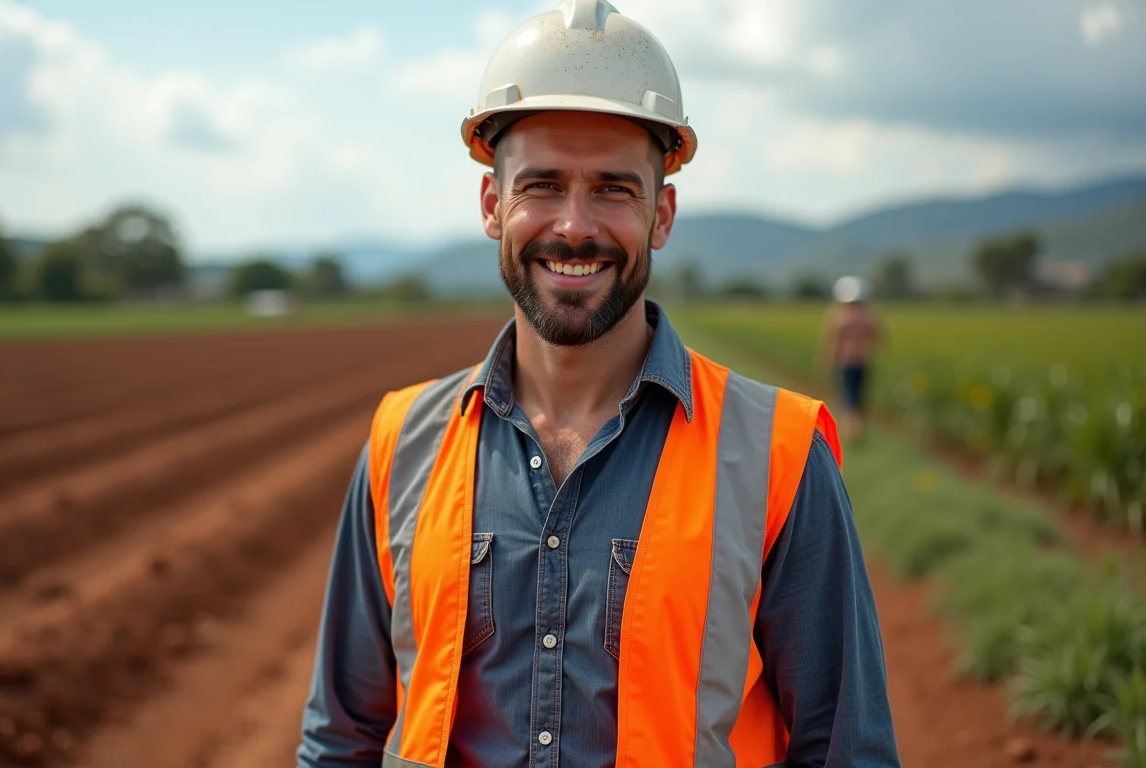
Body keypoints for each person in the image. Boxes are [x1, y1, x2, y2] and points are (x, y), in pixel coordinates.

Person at [298, 1, 900, 765]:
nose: (575, 226)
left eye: (614, 189)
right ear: (492, 205)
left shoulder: (780, 457)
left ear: (662, 215)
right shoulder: (403, 441)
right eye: (542, 185)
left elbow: (845, 750)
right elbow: (341, 736)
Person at [821, 276, 885, 445]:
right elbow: (880, 337)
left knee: (848, 398)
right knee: (860, 397)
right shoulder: (868, 316)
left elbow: (831, 340)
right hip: (863, 360)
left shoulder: (839, 315)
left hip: (846, 361)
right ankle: (858, 430)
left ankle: (852, 433)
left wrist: (827, 361)